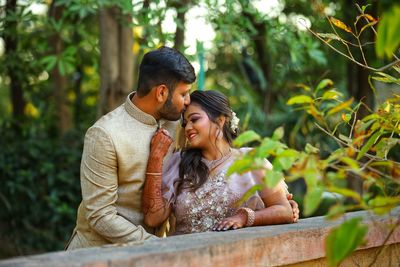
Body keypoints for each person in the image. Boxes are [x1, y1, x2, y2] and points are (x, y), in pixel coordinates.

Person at [66, 46, 196, 249]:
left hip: (153, 254)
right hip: (97, 254)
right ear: (161, 92)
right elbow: (100, 216)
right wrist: (156, 246)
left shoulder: (179, 124)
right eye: (184, 94)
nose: (188, 102)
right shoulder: (105, 134)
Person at [142, 90, 297, 235]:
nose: (188, 127)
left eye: (194, 119)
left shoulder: (251, 161)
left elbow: (284, 211)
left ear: (220, 120)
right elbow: (152, 219)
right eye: (185, 124)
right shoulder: (180, 163)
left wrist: (245, 217)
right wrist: (155, 159)